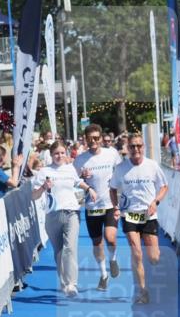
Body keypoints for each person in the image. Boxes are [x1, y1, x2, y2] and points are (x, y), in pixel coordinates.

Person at [109, 134, 169, 305]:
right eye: (132, 146)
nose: (136, 149)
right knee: (137, 253)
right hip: (129, 215)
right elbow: (112, 189)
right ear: (127, 149)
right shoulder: (121, 168)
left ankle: (153, 274)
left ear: (143, 147)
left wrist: (155, 201)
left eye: (139, 146)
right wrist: (115, 207)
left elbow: (164, 186)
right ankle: (143, 291)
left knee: (154, 257)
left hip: (148, 215)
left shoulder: (152, 166)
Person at [32, 141, 96, 297]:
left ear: (66, 153)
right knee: (59, 251)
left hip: (71, 211)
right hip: (53, 214)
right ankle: (64, 281)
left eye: (62, 153)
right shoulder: (44, 172)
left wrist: (89, 189)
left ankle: (71, 284)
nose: (59, 156)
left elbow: (77, 181)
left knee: (70, 248)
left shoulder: (70, 169)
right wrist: (43, 187)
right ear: (51, 155)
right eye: (56, 153)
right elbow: (34, 195)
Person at [74, 123, 122, 291]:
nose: (93, 141)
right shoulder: (80, 159)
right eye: (90, 139)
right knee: (97, 243)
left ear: (101, 138)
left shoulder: (112, 154)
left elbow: (120, 171)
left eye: (96, 138)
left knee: (110, 238)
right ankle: (103, 275)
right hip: (92, 207)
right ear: (85, 140)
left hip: (109, 203)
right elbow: (74, 180)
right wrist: (81, 177)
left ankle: (113, 259)